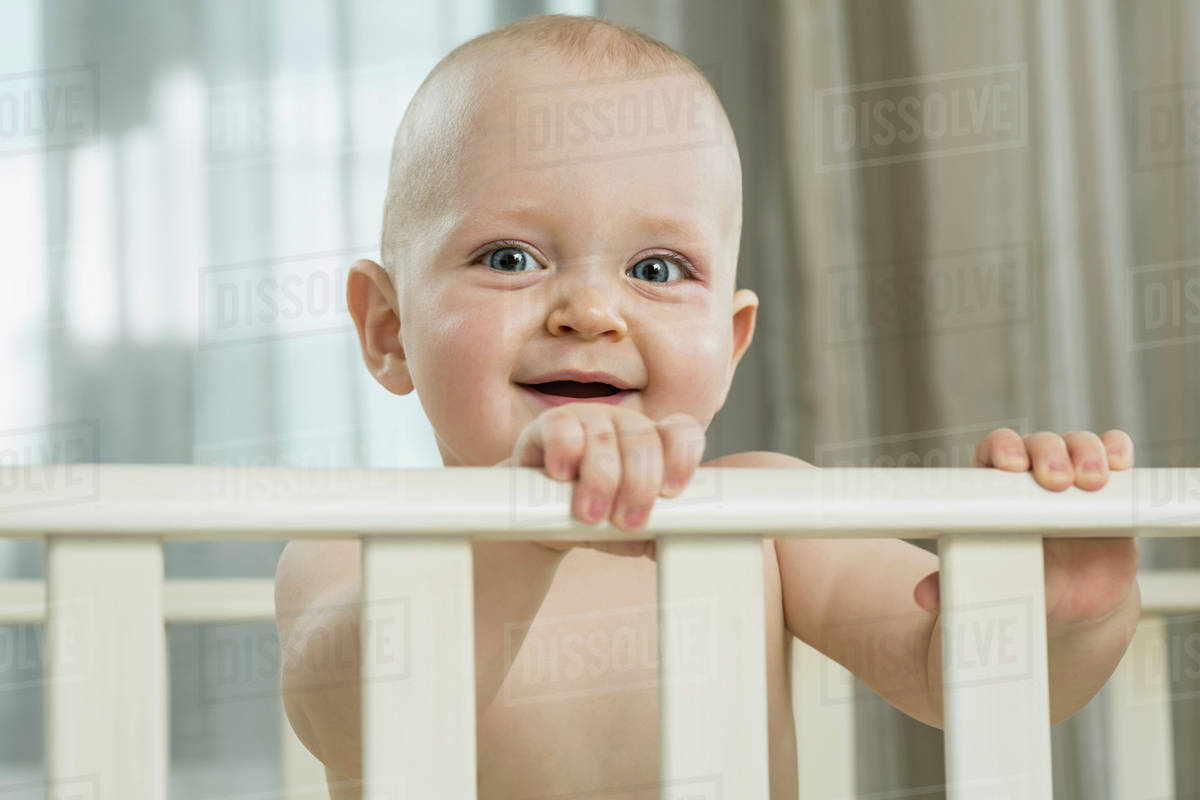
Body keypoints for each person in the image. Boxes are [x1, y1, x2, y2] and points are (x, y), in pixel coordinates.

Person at [273, 14, 1140, 799]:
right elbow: (359, 725)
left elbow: (958, 678)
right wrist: (522, 530)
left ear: (729, 345)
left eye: (656, 269)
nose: (590, 311)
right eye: (509, 258)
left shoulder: (765, 517)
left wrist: (1064, 613)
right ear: (388, 330)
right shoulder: (355, 540)